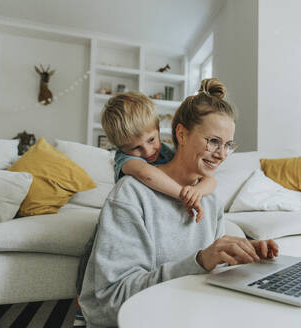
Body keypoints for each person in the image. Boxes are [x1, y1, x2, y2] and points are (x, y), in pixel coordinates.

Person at [78, 78, 278, 327]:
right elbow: (109, 303)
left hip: (193, 314)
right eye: (213, 141)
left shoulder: (210, 198)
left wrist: (244, 260)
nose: (222, 154)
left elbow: (209, 275)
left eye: (228, 145)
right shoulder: (131, 194)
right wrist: (201, 261)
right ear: (181, 134)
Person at [73, 91, 216, 326]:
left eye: (151, 140)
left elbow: (211, 180)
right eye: (136, 148)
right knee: (91, 261)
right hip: (121, 219)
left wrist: (198, 191)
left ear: (160, 128)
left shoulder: (168, 150)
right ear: (120, 147)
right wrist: (183, 194)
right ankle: (82, 309)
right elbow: (147, 175)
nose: (148, 152)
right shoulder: (125, 160)